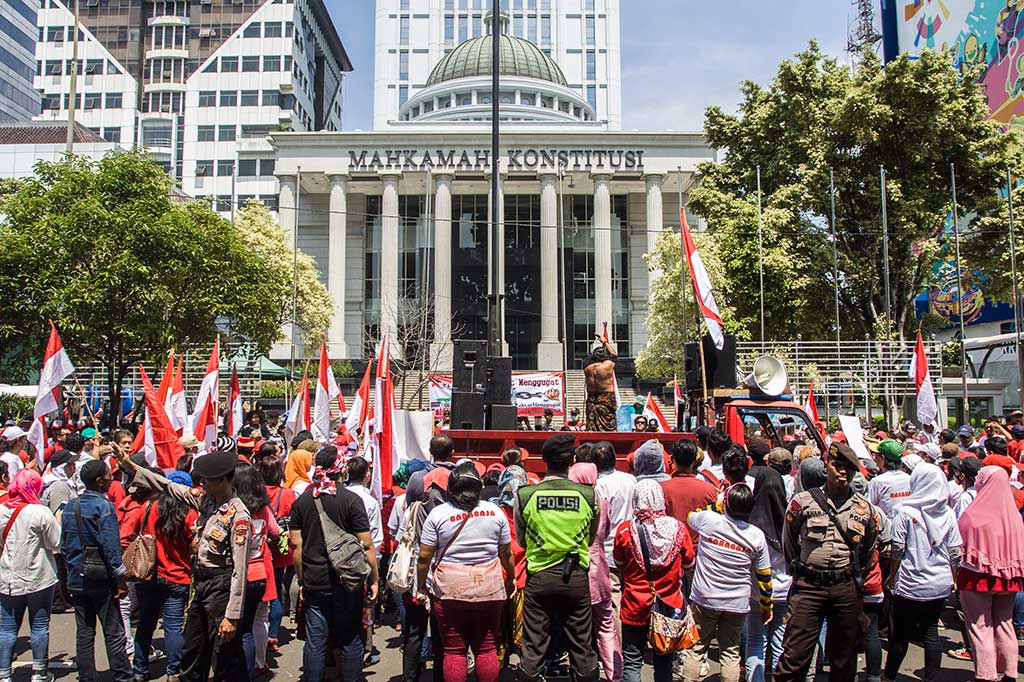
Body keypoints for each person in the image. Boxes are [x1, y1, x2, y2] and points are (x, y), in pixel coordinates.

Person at [114, 445, 252, 682]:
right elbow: (168, 486)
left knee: (224, 654)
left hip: (221, 587)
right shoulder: (206, 500)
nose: (202, 483)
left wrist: (232, 615)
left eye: (207, 479)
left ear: (223, 480)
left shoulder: (238, 516)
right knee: (193, 647)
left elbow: (240, 571)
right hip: (202, 584)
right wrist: (132, 466)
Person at [774, 444, 879, 682]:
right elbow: (789, 541)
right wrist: (801, 569)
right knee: (794, 656)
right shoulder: (803, 502)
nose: (842, 472)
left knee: (844, 658)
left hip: (845, 587)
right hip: (809, 586)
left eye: (848, 469)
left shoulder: (864, 508)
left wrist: (853, 574)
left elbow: (868, 548)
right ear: (826, 466)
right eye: (837, 466)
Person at [415, 462, 515, 682]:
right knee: (487, 647)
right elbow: (506, 553)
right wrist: (511, 578)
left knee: (454, 650)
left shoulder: (438, 514)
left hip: (449, 589)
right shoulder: (495, 512)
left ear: (451, 488)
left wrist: (421, 586)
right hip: (489, 587)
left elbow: (424, 557)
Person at [514, 433, 600, 682]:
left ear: (544, 461)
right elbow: (590, 538)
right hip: (576, 577)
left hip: (539, 577)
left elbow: (522, 540)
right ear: (572, 460)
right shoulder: (589, 495)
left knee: (533, 644)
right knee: (582, 644)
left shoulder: (525, 495)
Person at [289, 446, 378, 682]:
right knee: (350, 637)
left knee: (315, 641)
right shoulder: (352, 500)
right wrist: (374, 580)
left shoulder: (302, 502)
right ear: (342, 469)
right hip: (348, 580)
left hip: (315, 580)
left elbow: (296, 546)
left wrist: (302, 579)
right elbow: (367, 545)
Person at [881, 462, 961, 682]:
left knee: (901, 634)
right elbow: (955, 551)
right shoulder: (948, 513)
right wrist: (954, 579)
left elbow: (897, 549)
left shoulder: (904, 510)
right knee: (931, 632)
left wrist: (892, 576)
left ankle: (889, 676)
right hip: (940, 582)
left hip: (911, 582)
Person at [684, 484, 771, 682]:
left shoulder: (710, 520)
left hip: (705, 598)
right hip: (737, 602)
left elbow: (691, 516)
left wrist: (717, 505)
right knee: (730, 652)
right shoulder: (756, 535)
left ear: (726, 504)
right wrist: (767, 606)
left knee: (696, 648)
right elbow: (764, 576)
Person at [614, 480, 694, 682]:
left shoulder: (625, 531)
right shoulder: (679, 529)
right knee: (664, 659)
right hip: (668, 606)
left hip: (635, 604)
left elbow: (619, 563)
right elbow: (689, 563)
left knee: (632, 660)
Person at [60, 460, 131, 682]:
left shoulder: (71, 506)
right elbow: (111, 547)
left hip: (76, 576)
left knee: (84, 632)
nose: (111, 479)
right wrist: (120, 578)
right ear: (100, 481)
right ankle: (122, 676)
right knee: (113, 631)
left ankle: (86, 677)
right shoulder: (104, 506)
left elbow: (64, 544)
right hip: (100, 578)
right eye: (109, 475)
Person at [124, 469, 197, 682]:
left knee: (145, 624)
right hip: (177, 575)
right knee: (173, 626)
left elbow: (129, 533)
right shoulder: (189, 513)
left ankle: (139, 670)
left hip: (148, 574)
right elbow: (194, 545)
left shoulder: (148, 507)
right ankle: (173, 671)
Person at [957, 466, 1024, 682]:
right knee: (1005, 624)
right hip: (1009, 578)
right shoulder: (1015, 517)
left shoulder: (972, 515)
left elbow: (958, 546)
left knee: (980, 628)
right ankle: (1010, 672)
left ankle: (985, 675)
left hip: (976, 578)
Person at [0, 470, 61, 682]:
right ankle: (40, 673)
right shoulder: (40, 512)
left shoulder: (1, 510)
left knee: (7, 628)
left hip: (8, 577)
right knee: (40, 625)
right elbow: (56, 543)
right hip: (39, 577)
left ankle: (4, 674)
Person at [569, 462, 621, 682]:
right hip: (599, 568)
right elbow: (605, 532)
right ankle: (615, 674)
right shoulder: (602, 503)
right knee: (605, 625)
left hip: (576, 569)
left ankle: (583, 673)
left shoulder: (571, 505)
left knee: (577, 628)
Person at [232, 463, 278, 679]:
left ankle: (243, 667)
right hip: (260, 569)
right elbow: (275, 531)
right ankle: (259, 662)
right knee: (259, 619)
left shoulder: (231, 508)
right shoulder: (263, 507)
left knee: (241, 626)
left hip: (238, 571)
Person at [744, 467, 790, 682]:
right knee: (780, 643)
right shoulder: (790, 519)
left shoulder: (750, 524)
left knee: (756, 641)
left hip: (757, 593)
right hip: (784, 590)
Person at [258, 455, 296, 653]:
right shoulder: (288, 494)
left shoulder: (255, 494)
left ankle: (259, 631)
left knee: (259, 594)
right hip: (281, 549)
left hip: (260, 548)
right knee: (277, 592)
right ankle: (273, 635)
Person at [660, 439, 717, 547]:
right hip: (699, 550)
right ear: (695, 460)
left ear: (672, 459)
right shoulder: (709, 489)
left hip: (670, 549)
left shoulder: (661, 489)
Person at [868, 438, 911, 525]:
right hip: (908, 527)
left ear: (883, 458)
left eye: (876, 454)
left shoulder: (878, 482)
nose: (874, 458)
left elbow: (869, 508)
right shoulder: (909, 479)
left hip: (886, 529)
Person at [583, 336, 618, 432]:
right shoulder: (607, 365)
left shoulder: (587, 367)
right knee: (609, 428)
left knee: (592, 427)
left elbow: (588, 358)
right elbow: (614, 355)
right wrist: (605, 342)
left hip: (592, 399)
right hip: (606, 398)